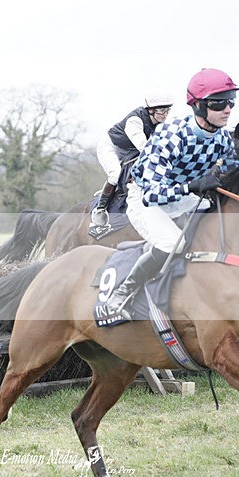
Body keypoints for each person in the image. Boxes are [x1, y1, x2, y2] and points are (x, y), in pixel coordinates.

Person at [105, 68, 238, 318]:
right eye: (219, 103)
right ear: (198, 106)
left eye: (231, 100)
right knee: (172, 243)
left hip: (182, 198)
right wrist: (191, 186)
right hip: (145, 199)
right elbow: (152, 194)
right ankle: (122, 294)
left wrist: (215, 178)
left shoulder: (222, 138)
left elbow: (232, 167)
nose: (228, 109)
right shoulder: (171, 135)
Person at [91, 92, 174, 227]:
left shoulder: (159, 124)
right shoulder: (135, 120)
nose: (165, 114)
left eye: (167, 110)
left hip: (130, 150)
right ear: (151, 110)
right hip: (111, 147)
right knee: (115, 174)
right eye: (161, 110)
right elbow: (145, 148)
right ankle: (100, 208)